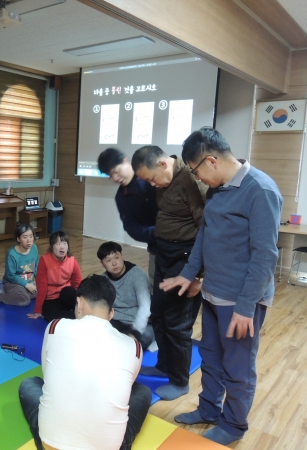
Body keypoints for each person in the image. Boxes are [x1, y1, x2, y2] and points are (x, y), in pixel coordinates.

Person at [159, 127, 282, 446]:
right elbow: (205, 234)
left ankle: (234, 425)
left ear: (211, 161)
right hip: (213, 292)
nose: (197, 178)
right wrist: (189, 274)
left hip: (241, 300)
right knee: (211, 357)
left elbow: (265, 255)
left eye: (196, 171)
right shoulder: (217, 189)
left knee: (237, 367)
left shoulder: (260, 190)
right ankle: (209, 410)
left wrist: (245, 307)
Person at [18, 275, 152, 450]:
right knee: (142, 391)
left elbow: (47, 372)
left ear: (79, 303)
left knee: (29, 384)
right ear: (111, 313)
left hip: (51, 444)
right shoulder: (134, 347)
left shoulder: (55, 326)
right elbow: (129, 385)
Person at [132, 144, 207, 401]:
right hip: (165, 255)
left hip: (185, 259)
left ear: (163, 164)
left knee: (178, 323)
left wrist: (198, 276)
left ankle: (179, 380)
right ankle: (164, 365)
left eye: (152, 179)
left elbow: (206, 229)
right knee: (160, 315)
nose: (153, 185)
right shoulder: (165, 179)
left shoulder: (191, 181)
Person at [98, 148, 158, 283]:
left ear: (126, 161)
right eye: (110, 175)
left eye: (116, 171)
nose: (115, 178)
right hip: (157, 250)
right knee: (157, 289)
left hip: (181, 245)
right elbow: (131, 227)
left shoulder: (152, 178)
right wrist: (155, 232)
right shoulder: (121, 198)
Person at [98, 241, 155, 352]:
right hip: (116, 321)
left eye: (117, 257)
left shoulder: (137, 274)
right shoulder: (103, 279)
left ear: (122, 256)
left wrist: (135, 332)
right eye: (108, 260)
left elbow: (145, 308)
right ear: (102, 264)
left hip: (139, 323)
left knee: (144, 337)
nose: (114, 263)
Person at [27, 231, 82, 322]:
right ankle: (77, 316)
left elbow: (78, 283)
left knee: (69, 291)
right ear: (52, 246)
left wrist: (80, 303)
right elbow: (42, 287)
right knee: (49, 316)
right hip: (51, 299)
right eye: (58, 244)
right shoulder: (44, 260)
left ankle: (81, 313)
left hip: (65, 295)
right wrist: (38, 310)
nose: (62, 247)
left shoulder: (72, 261)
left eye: (64, 244)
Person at [0, 223, 38, 306]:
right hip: (12, 283)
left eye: (31, 236)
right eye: (25, 237)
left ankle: (22, 294)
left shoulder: (34, 248)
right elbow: (10, 276)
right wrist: (26, 285)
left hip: (29, 282)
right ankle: (0, 295)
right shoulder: (11, 254)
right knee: (25, 301)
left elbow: (36, 267)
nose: (29, 240)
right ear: (18, 239)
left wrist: (40, 282)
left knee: (47, 292)